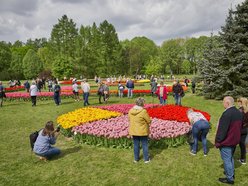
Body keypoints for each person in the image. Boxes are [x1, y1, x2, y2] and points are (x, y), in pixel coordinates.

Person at [215, 96, 243, 185]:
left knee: (227, 159)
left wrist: (218, 141)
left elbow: (222, 129)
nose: (222, 104)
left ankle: (230, 179)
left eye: (223, 102)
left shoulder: (227, 114)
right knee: (230, 157)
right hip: (234, 140)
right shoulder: (238, 112)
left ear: (227, 103)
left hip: (227, 141)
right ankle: (231, 173)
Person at [128, 97, 152, 163]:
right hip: (142, 130)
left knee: (136, 145)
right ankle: (146, 159)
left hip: (134, 130)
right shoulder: (143, 111)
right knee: (144, 144)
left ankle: (136, 159)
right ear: (142, 103)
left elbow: (129, 119)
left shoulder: (130, 110)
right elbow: (148, 120)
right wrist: (150, 120)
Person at [237, 97, 248, 165]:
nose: (237, 103)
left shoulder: (240, 110)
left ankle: (229, 157)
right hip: (246, 129)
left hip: (240, 129)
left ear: (241, 103)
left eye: (238, 102)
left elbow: (238, 121)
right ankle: (243, 159)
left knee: (234, 142)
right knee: (242, 144)